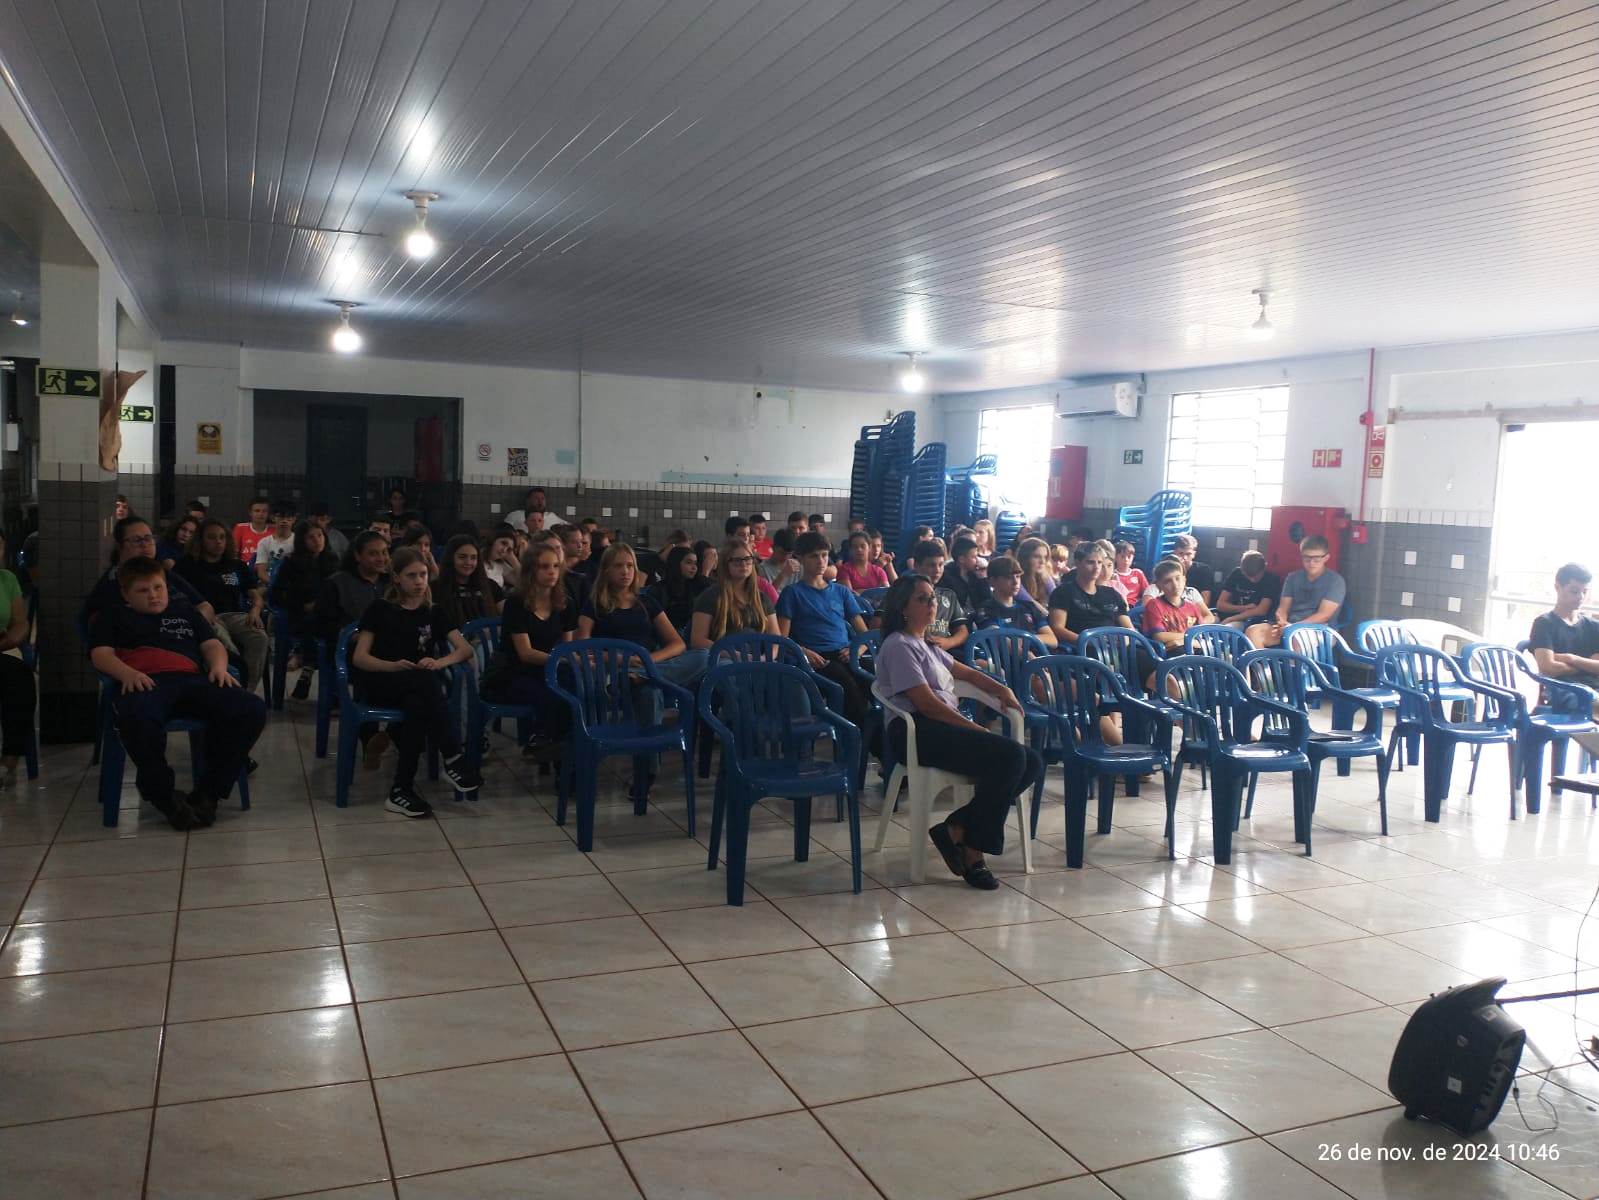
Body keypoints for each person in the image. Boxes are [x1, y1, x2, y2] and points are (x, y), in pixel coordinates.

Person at [875, 574, 1044, 890]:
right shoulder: (899, 645)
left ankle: (956, 827)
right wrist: (976, 728)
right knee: (1010, 756)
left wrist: (1001, 689)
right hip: (916, 732)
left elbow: (966, 673)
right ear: (903, 608)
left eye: (932, 598)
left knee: (1032, 761)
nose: (932, 604)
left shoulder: (926, 644)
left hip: (940, 726)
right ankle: (973, 851)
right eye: (922, 599)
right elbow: (927, 705)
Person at [88, 557, 266, 830]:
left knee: (250, 709)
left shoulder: (184, 611)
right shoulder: (112, 615)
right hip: (145, 682)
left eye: (158, 587)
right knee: (136, 721)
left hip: (192, 681)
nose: (153, 595)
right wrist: (127, 674)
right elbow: (101, 655)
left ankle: (209, 792)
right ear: (126, 594)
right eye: (143, 590)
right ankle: (165, 797)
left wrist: (218, 667)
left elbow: (211, 644)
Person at [351, 547, 482, 817]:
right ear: (396, 578)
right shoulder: (381, 609)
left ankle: (401, 790)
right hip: (382, 681)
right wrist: (392, 665)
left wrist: (439, 662)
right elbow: (360, 658)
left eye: (423, 574)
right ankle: (453, 756)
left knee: (417, 703)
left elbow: (465, 649)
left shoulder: (433, 611)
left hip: (417, 687)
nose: (419, 581)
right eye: (412, 575)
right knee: (424, 684)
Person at [579, 543, 709, 800]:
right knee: (651, 693)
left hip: (646, 668)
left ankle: (642, 677)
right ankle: (646, 774)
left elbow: (677, 644)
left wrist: (646, 662)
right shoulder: (594, 604)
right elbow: (583, 646)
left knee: (703, 656)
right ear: (606, 571)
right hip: (615, 671)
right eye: (618, 566)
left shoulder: (646, 602)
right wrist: (618, 658)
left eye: (630, 566)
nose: (625, 571)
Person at [481, 542, 575, 759]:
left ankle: (561, 746)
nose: (552, 572)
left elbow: (567, 647)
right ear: (531, 570)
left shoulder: (565, 603)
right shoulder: (517, 602)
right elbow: (525, 653)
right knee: (554, 691)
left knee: (573, 685)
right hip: (511, 672)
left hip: (544, 669)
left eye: (555, 566)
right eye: (544, 566)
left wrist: (570, 660)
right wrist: (562, 660)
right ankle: (544, 740)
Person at [775, 531, 872, 736]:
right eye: (814, 556)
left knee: (874, 680)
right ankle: (863, 740)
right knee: (846, 685)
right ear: (800, 558)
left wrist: (857, 649)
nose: (820, 561)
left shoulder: (841, 592)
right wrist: (804, 652)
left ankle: (878, 736)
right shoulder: (792, 593)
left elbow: (864, 633)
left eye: (824, 555)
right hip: (817, 658)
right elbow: (782, 638)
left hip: (846, 653)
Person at [176, 520, 270, 694]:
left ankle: (246, 691)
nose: (218, 542)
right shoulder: (186, 565)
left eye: (222, 537)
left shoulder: (236, 565)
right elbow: (177, 597)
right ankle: (231, 690)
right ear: (201, 540)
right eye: (212, 538)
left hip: (235, 615)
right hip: (206, 617)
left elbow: (255, 595)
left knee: (259, 637)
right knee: (225, 642)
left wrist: (255, 610)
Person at [81, 517, 217, 629]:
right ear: (119, 547)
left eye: (148, 538)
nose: (145, 545)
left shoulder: (164, 573)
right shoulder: (112, 584)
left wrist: (190, 626)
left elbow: (205, 606)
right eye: (136, 540)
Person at [269, 520, 340, 700]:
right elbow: (276, 595)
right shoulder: (291, 563)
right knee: (315, 622)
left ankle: (307, 665)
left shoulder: (333, 561)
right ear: (302, 540)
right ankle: (309, 666)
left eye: (320, 535)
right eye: (311, 537)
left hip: (327, 614)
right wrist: (302, 605)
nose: (317, 540)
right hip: (300, 614)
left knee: (334, 626)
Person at [1251, 534, 1346, 648]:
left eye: (1316, 559)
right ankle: (1264, 660)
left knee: (1296, 639)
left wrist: (1293, 628)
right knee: (1253, 632)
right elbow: (1282, 608)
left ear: (1326, 558)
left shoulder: (1336, 581)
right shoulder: (1292, 578)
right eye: (1307, 558)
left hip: (1321, 629)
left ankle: (1291, 661)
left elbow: (1323, 615)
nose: (1311, 563)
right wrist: (1282, 622)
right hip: (1288, 625)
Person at [690, 539, 779, 648]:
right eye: (737, 560)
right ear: (725, 564)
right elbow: (697, 640)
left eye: (748, 559)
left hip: (758, 656)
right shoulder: (710, 597)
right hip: (722, 656)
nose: (743, 564)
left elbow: (776, 639)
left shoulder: (762, 598)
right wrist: (732, 654)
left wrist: (767, 656)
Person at [0, 532, 34, 786]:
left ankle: (9, 758)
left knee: (20, 678)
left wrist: (8, 641)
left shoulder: (7, 579)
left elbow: (21, 623)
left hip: (2, 646)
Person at [907, 539, 970, 655]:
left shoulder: (949, 595)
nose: (937, 570)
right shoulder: (903, 592)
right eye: (932, 565)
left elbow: (963, 631)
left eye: (941, 565)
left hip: (944, 653)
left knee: (982, 664)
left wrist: (948, 642)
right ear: (916, 565)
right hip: (912, 651)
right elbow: (878, 625)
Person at [974, 556, 1055, 646]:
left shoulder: (1029, 606)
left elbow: (1052, 640)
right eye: (1009, 577)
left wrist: (1024, 640)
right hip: (1014, 655)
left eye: (1018, 576)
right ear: (992, 581)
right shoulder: (986, 610)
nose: (1016, 582)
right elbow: (1002, 642)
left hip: (1040, 653)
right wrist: (1029, 648)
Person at [437, 534, 503, 630]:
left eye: (473, 558)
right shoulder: (436, 587)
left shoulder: (490, 585)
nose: (468, 562)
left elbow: (508, 614)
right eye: (462, 557)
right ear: (450, 558)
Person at [1141, 561, 1211, 650]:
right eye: (1168, 581)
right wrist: (1189, 638)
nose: (1175, 584)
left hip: (1192, 647)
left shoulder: (1192, 607)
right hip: (1168, 652)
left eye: (1178, 578)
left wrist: (1182, 641)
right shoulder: (1154, 605)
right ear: (1159, 586)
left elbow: (1201, 634)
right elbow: (1159, 636)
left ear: (1184, 580)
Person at [645, 544, 707, 631]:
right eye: (689, 562)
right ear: (676, 563)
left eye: (695, 563)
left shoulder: (697, 586)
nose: (694, 568)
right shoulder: (659, 590)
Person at [1216, 551, 1281, 629]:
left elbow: (1261, 610)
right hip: (1227, 618)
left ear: (1264, 568)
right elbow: (1220, 605)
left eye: (1256, 575)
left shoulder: (1271, 579)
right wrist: (1245, 607)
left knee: (1228, 629)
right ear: (1242, 570)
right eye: (1249, 576)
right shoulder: (1236, 573)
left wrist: (1231, 618)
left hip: (1253, 621)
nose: (1253, 579)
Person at [938, 536, 991, 611]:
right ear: (961, 559)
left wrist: (982, 577)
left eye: (977, 556)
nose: (977, 560)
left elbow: (987, 601)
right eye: (974, 557)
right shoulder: (946, 576)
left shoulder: (976, 574)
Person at [253, 500, 297, 583]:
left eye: (288, 517)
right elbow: (261, 572)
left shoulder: (299, 541)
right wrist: (274, 585)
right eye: (281, 517)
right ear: (273, 518)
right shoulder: (264, 542)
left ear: (294, 519)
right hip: (270, 583)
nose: (284, 521)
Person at [1016, 537, 1056, 620]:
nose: (1042, 561)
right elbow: (1031, 604)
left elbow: (1057, 598)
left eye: (1045, 557)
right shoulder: (1015, 577)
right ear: (1025, 558)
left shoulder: (1046, 577)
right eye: (1037, 556)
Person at [1172, 535, 1216, 607]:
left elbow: (1205, 602)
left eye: (1188, 554)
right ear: (1174, 553)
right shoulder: (1168, 570)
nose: (1184, 557)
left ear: (1194, 554)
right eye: (1181, 553)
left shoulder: (1204, 570)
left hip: (1196, 609)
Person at [758, 528, 803, 594]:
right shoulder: (762, 568)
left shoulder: (797, 567)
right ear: (773, 548)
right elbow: (766, 597)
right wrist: (782, 575)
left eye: (789, 553)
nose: (785, 557)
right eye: (782, 553)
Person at [232, 497, 272, 563]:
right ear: (250, 512)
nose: (260, 514)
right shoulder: (240, 528)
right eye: (257, 511)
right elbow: (233, 553)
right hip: (245, 567)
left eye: (264, 511)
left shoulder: (274, 529)